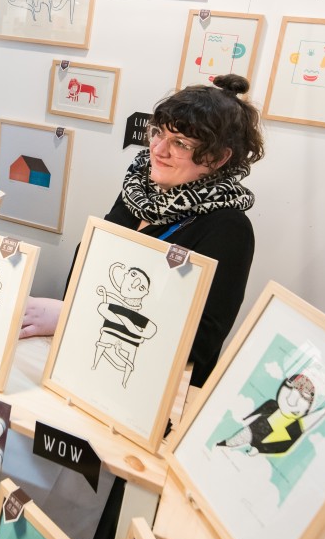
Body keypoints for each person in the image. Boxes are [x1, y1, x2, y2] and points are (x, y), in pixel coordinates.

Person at [20, 74, 265, 388]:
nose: (158, 150)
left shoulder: (229, 228)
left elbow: (199, 342)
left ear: (217, 158)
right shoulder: (140, 192)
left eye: (180, 143)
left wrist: (75, 316)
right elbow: (89, 269)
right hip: (90, 360)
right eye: (158, 133)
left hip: (155, 389)